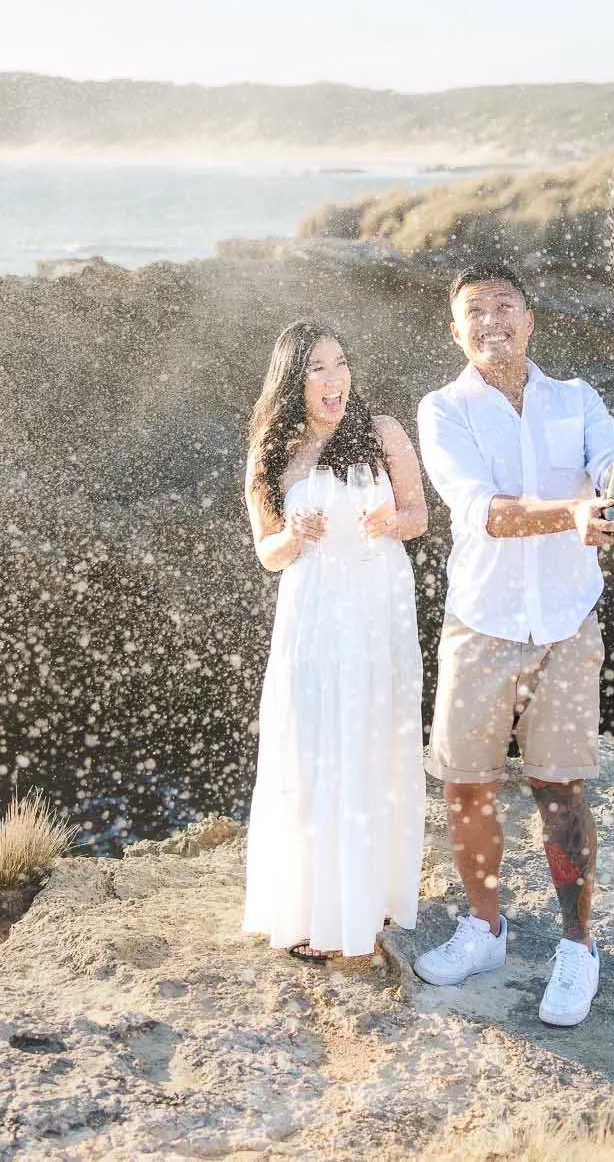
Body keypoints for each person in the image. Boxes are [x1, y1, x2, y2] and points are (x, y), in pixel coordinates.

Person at [409, 263, 614, 1026]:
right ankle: (485, 927)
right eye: (474, 311)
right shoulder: (442, 409)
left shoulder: (578, 399)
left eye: (504, 306)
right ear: (456, 330)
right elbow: (483, 509)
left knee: (561, 790)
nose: (491, 320)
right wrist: (575, 514)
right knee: (465, 785)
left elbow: (613, 496)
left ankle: (577, 949)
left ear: (530, 319)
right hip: (480, 621)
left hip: (566, 622)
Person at [239, 320, 429, 960]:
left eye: (341, 363)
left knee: (372, 740)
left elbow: (419, 516)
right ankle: (312, 903)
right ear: (294, 381)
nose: (334, 379)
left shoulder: (383, 434)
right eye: (318, 368)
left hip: (377, 607)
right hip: (314, 612)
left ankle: (366, 898)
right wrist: (295, 537)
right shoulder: (271, 447)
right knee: (315, 743)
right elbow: (267, 552)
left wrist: (390, 521)